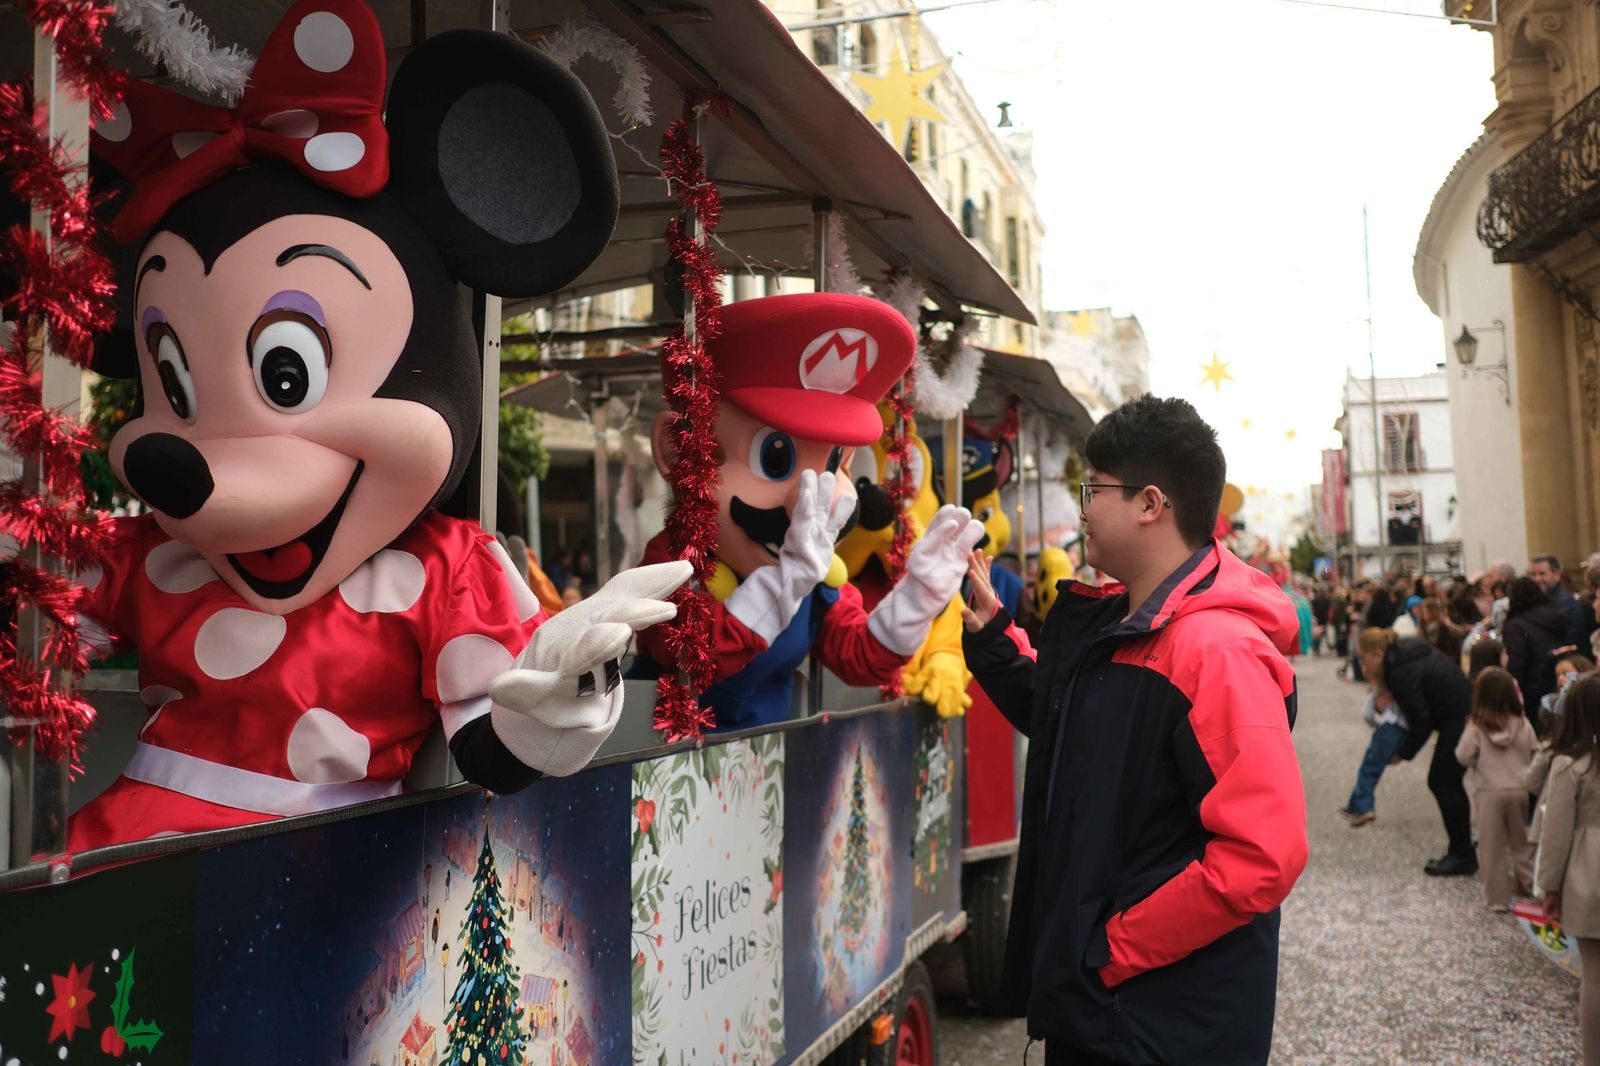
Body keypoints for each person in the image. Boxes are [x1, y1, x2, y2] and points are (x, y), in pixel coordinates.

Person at [960, 395, 1306, 1065]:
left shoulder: (1216, 651)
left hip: (1156, 1026)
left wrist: (1108, 952)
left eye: (1094, 490)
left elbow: (1264, 854)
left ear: (1151, 504)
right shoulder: (1129, 622)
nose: (1083, 510)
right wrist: (998, 640)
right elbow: (1077, 730)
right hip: (1107, 1015)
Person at [1358, 627, 1477, 875]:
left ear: (1378, 654)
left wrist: (1402, 753)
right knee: (1448, 782)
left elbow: (1420, 720)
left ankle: (1462, 854)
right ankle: (1463, 848)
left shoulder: (1399, 671)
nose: (1362, 665)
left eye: (1363, 658)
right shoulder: (1404, 653)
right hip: (1461, 709)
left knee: (1443, 782)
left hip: (1458, 715)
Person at [1532, 673, 1600, 1065]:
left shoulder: (1569, 764)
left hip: (1588, 876)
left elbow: (1555, 836)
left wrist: (1549, 887)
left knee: (1595, 977)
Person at [1456, 667, 1537, 911]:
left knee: (1491, 847)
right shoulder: (1523, 723)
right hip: (1519, 789)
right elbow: (1536, 752)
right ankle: (1535, 889)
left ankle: (1498, 899)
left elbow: (1463, 756)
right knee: (1521, 843)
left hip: (1489, 791)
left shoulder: (1476, 726)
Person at [1335, 683, 1408, 828]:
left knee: (1368, 770)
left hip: (1390, 727)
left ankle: (1364, 807)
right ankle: (1354, 805)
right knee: (1370, 768)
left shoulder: (1382, 684)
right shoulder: (1408, 684)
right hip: (1405, 730)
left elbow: (1367, 715)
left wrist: (1378, 727)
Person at [1504, 576, 1574, 722]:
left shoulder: (1516, 626)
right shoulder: (1558, 614)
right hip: (1561, 679)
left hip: (1532, 687)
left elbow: (1517, 662)